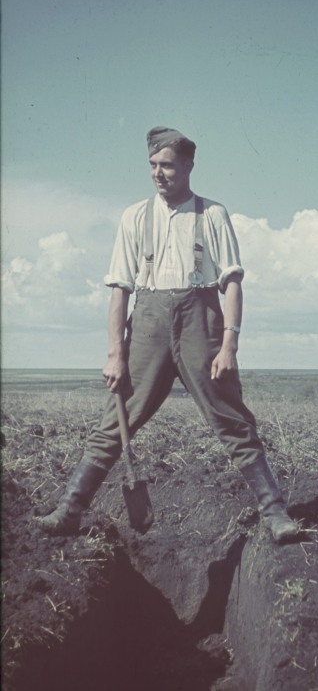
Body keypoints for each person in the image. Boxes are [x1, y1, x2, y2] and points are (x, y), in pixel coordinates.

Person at [39, 126, 299, 543]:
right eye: (153, 165)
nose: (159, 174)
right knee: (114, 421)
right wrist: (114, 353)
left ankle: (276, 515)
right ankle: (69, 511)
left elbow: (231, 282)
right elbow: (120, 289)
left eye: (168, 166)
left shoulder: (212, 214)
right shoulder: (134, 216)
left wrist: (229, 344)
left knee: (231, 420)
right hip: (148, 324)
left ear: (189, 166)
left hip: (202, 322)